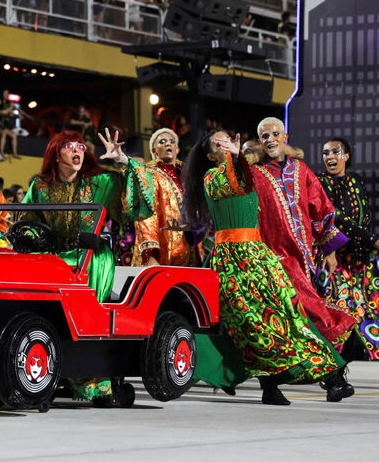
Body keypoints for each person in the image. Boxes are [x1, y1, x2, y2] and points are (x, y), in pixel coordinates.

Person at [183, 130, 343, 405]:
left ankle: (331, 374)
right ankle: (270, 386)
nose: (227, 144)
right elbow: (235, 185)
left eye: (228, 139)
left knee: (289, 316)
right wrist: (236, 159)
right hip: (231, 261)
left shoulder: (249, 174)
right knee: (252, 325)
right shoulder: (213, 178)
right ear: (211, 156)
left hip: (259, 257)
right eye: (219, 144)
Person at [21, 128, 153, 404]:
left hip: (91, 257)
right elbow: (25, 222)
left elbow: (138, 203)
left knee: (84, 316)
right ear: (56, 154)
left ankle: (95, 382)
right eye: (69, 146)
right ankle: (51, 370)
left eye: (81, 147)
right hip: (53, 258)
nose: (76, 151)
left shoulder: (101, 182)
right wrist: (33, 239)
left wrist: (124, 161)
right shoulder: (40, 186)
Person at [250, 117, 355, 401]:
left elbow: (321, 209)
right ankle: (278, 386)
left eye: (275, 133)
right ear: (259, 142)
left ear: (285, 136)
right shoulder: (253, 174)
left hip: (301, 260)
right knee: (277, 322)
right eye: (264, 135)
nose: (270, 139)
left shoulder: (301, 170)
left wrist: (329, 250)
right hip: (269, 260)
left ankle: (330, 379)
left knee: (307, 317)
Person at [316, 138, 379, 361]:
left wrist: (368, 249)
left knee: (370, 313)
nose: (329, 157)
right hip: (333, 259)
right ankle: (332, 371)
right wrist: (372, 240)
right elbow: (336, 216)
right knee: (335, 315)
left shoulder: (356, 182)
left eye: (335, 152)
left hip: (358, 261)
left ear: (346, 156)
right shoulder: (319, 183)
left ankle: (338, 372)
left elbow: (364, 218)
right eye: (326, 152)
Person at [133, 128, 194, 267]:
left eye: (172, 142)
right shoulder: (149, 175)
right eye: (162, 142)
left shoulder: (187, 178)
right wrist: (150, 254)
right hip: (162, 252)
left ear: (177, 150)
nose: (168, 144)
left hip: (188, 249)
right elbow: (145, 215)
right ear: (154, 150)